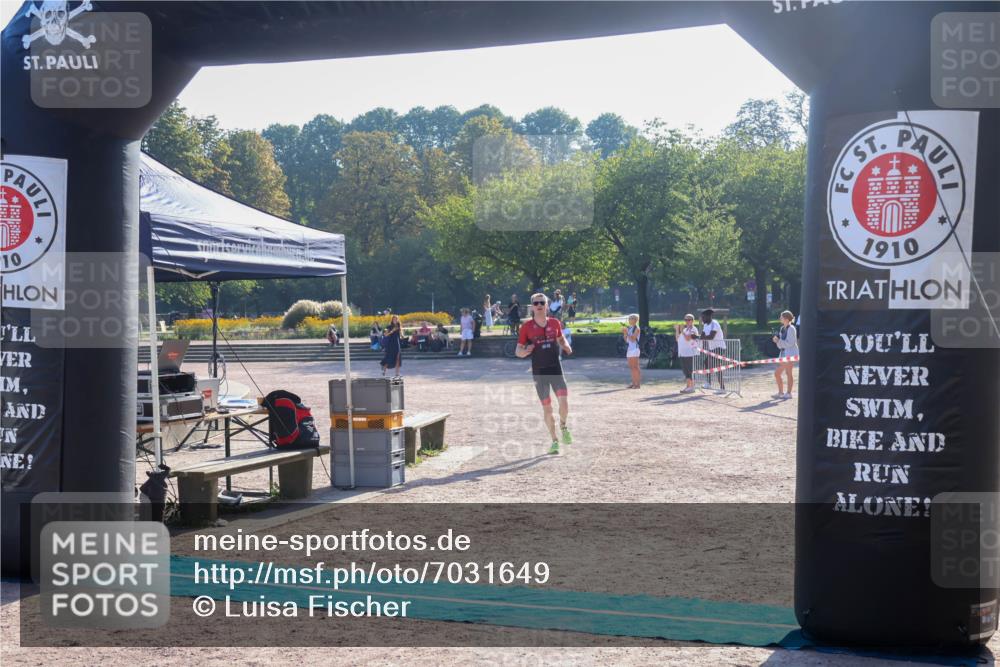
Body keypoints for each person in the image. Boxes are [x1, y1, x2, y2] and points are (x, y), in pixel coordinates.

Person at [516, 293, 573, 455]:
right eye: (536, 303)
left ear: (547, 305)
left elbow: (561, 339)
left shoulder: (555, 323)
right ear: (532, 306)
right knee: (547, 408)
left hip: (555, 368)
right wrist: (525, 351)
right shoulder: (526, 327)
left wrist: (567, 346)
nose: (539, 305)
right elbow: (517, 351)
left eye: (542, 302)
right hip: (539, 372)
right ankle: (554, 441)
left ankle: (563, 426)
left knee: (563, 402)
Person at [773, 310, 799, 399]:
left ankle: (788, 393)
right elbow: (780, 345)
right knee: (778, 374)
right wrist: (777, 341)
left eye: (782, 317)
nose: (780, 318)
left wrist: (779, 341)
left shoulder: (792, 328)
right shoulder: (782, 328)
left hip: (790, 354)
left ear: (787, 319)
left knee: (787, 373)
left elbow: (790, 343)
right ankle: (781, 392)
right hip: (783, 354)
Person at [699, 308, 726, 393]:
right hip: (712, 348)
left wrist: (701, 337)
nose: (702, 319)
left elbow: (711, 337)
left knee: (717, 367)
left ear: (708, 316)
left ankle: (722, 388)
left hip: (719, 348)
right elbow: (702, 336)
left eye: (703, 317)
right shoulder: (705, 325)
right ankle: (709, 383)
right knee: (706, 363)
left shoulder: (715, 323)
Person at [675, 314, 700, 394]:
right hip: (683, 353)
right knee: (685, 371)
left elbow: (688, 338)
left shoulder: (694, 329)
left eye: (689, 320)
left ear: (693, 321)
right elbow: (677, 339)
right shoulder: (685, 330)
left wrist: (681, 331)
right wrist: (677, 330)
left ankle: (692, 387)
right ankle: (688, 386)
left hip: (690, 353)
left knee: (690, 370)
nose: (687, 321)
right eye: (686, 320)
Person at [623, 314, 641, 389]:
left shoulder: (637, 328)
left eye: (632, 318)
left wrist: (626, 333)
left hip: (635, 349)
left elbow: (633, 339)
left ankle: (638, 384)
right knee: (631, 367)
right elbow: (627, 340)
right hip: (630, 349)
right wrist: (624, 333)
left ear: (636, 320)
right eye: (629, 318)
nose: (630, 320)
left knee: (635, 367)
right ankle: (633, 383)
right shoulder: (629, 328)